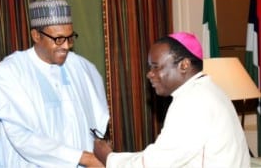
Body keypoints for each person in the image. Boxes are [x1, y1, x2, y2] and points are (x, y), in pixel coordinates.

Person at [0, 0, 109, 167]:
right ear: (36, 35)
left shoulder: (82, 68)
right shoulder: (11, 73)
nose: (66, 46)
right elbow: (23, 138)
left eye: (70, 38)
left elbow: (97, 123)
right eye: (58, 39)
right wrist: (83, 157)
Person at [94, 32, 250, 167]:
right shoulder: (209, 91)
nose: (150, 74)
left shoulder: (192, 102)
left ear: (184, 65)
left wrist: (108, 158)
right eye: (150, 67)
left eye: (156, 66)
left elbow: (156, 163)